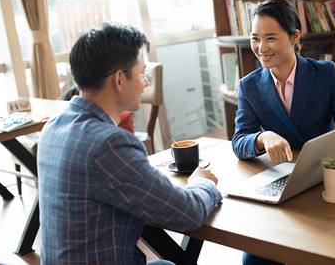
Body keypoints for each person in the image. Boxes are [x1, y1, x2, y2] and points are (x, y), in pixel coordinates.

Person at [37, 22, 223, 264]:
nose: (145, 83)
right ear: (119, 79)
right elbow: (189, 213)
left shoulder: (52, 127)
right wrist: (201, 183)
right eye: (142, 74)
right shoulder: (109, 144)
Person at [231, 0, 335, 265]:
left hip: (325, 184)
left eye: (270, 38)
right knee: (253, 261)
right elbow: (239, 141)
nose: (261, 48)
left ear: (295, 36)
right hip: (281, 189)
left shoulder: (326, 73)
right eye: (255, 39)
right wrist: (262, 137)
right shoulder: (248, 86)